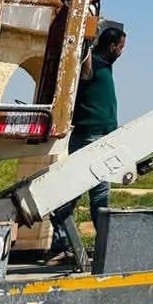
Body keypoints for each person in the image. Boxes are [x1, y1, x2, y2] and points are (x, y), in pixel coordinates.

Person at [51, 25, 126, 252]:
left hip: (100, 136)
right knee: (98, 193)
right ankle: (105, 245)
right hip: (91, 137)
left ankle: (61, 238)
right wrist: (86, 31)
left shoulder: (105, 65)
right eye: (121, 47)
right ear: (111, 46)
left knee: (78, 189)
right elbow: (84, 65)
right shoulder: (89, 62)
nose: (122, 52)